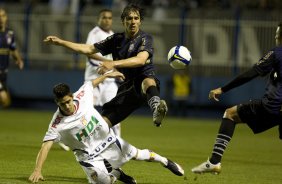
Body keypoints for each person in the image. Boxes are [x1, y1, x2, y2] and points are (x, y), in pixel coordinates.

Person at [28, 70, 184, 184]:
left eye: (68, 101)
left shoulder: (81, 95)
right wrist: (37, 170)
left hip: (109, 140)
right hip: (89, 157)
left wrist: (107, 75)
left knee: (138, 155)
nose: (67, 106)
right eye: (62, 104)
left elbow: (91, 83)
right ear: (57, 103)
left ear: (72, 96)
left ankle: (165, 161)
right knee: (105, 183)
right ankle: (117, 174)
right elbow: (45, 146)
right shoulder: (57, 123)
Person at [43, 4, 168, 129]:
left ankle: (156, 108)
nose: (133, 22)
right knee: (102, 124)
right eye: (129, 18)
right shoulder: (116, 39)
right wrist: (61, 42)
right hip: (126, 88)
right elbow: (89, 49)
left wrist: (112, 63)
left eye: (136, 18)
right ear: (123, 20)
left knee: (148, 81)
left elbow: (140, 60)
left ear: (140, 21)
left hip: (143, 85)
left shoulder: (145, 38)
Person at [191, 23, 282, 174]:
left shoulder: (277, 53)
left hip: (272, 105)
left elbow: (251, 73)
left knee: (230, 114)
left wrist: (222, 89)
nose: (275, 37)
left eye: (277, 35)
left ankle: (214, 162)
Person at [85, 9, 121, 137]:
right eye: (104, 17)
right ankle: (76, 139)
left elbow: (115, 58)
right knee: (87, 112)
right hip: (94, 79)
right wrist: (108, 61)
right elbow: (90, 54)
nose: (107, 20)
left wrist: (116, 68)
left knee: (115, 111)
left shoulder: (113, 35)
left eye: (109, 18)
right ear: (98, 19)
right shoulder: (95, 33)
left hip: (110, 80)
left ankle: (117, 142)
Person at [0, 8, 24, 108]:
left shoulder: (9, 33)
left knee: (6, 103)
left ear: (6, 17)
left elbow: (13, 49)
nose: (1, 18)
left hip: (3, 72)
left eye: (3, 15)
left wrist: (18, 60)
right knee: (4, 98)